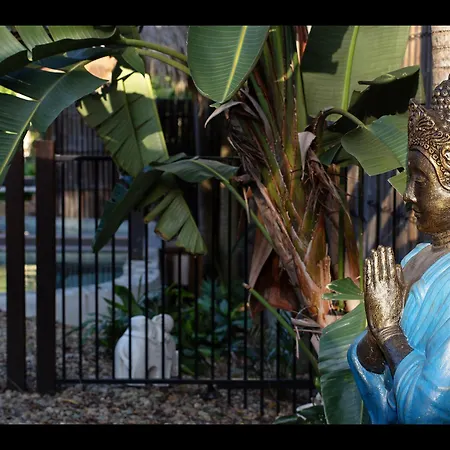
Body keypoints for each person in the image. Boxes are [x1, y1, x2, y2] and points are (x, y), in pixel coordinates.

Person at [347, 76, 450, 424]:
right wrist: (377, 334)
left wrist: (389, 332)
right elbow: (368, 358)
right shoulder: (416, 257)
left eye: (421, 181)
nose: (407, 194)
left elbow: (428, 409)